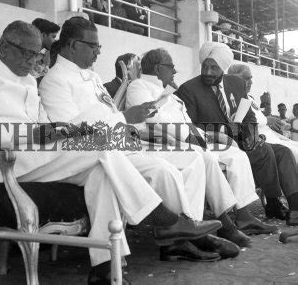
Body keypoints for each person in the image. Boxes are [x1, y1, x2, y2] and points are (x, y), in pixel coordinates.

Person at [0, 20, 220, 284]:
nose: (31, 61)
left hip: (34, 155)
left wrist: (56, 131)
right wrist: (34, 134)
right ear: (4, 47)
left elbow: (40, 125)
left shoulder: (28, 80)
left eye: (36, 54)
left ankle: (105, 268)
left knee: (100, 173)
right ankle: (166, 221)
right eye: (25, 53)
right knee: (101, 145)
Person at [39, 17, 226, 269]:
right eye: (93, 46)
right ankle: (176, 232)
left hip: (120, 142)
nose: (98, 52)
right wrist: (124, 118)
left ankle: (183, 235)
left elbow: (108, 113)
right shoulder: (56, 80)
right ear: (73, 45)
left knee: (185, 161)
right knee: (162, 170)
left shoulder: (91, 76)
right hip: (91, 150)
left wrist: (128, 125)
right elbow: (71, 132)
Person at [126, 48, 276, 247]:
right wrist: (193, 137)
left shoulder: (168, 92)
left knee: (224, 154)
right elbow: (156, 121)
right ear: (158, 68)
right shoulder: (140, 86)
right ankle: (216, 227)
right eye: (171, 67)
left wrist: (205, 136)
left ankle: (231, 218)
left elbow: (187, 121)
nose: (175, 71)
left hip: (182, 140)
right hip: (155, 143)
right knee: (203, 157)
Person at [176, 42, 298, 225]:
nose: (208, 72)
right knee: (265, 151)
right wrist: (225, 132)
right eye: (205, 66)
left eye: (214, 67)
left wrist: (250, 135)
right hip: (215, 143)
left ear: (223, 68)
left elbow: (248, 115)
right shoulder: (189, 90)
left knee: (283, 152)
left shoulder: (236, 83)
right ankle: (272, 203)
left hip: (241, 140)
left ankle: (294, 207)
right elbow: (190, 126)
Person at [228, 64, 298, 166]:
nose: (251, 82)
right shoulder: (232, 98)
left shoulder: (250, 98)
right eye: (247, 79)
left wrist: (267, 105)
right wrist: (267, 120)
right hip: (260, 140)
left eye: (251, 78)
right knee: (292, 152)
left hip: (273, 137)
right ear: (234, 79)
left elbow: (261, 114)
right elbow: (240, 121)